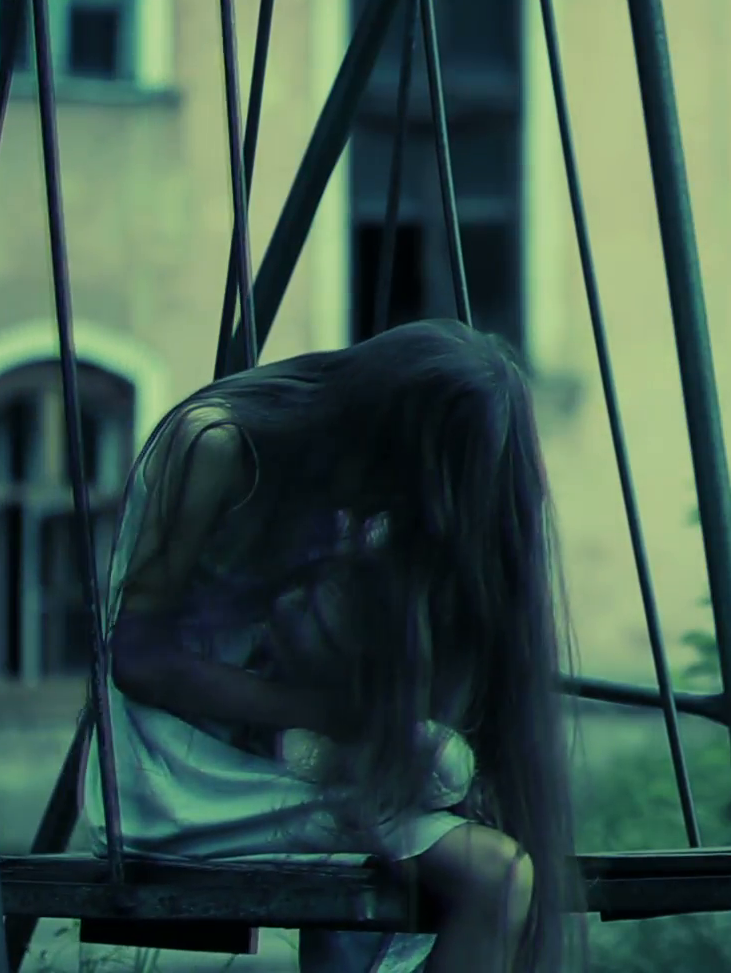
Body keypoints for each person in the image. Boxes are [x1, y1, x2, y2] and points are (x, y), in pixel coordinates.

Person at [78, 319, 582, 973]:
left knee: (491, 855)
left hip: (269, 758)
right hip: (176, 775)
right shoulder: (215, 443)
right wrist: (339, 715)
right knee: (490, 875)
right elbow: (138, 661)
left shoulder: (338, 480)